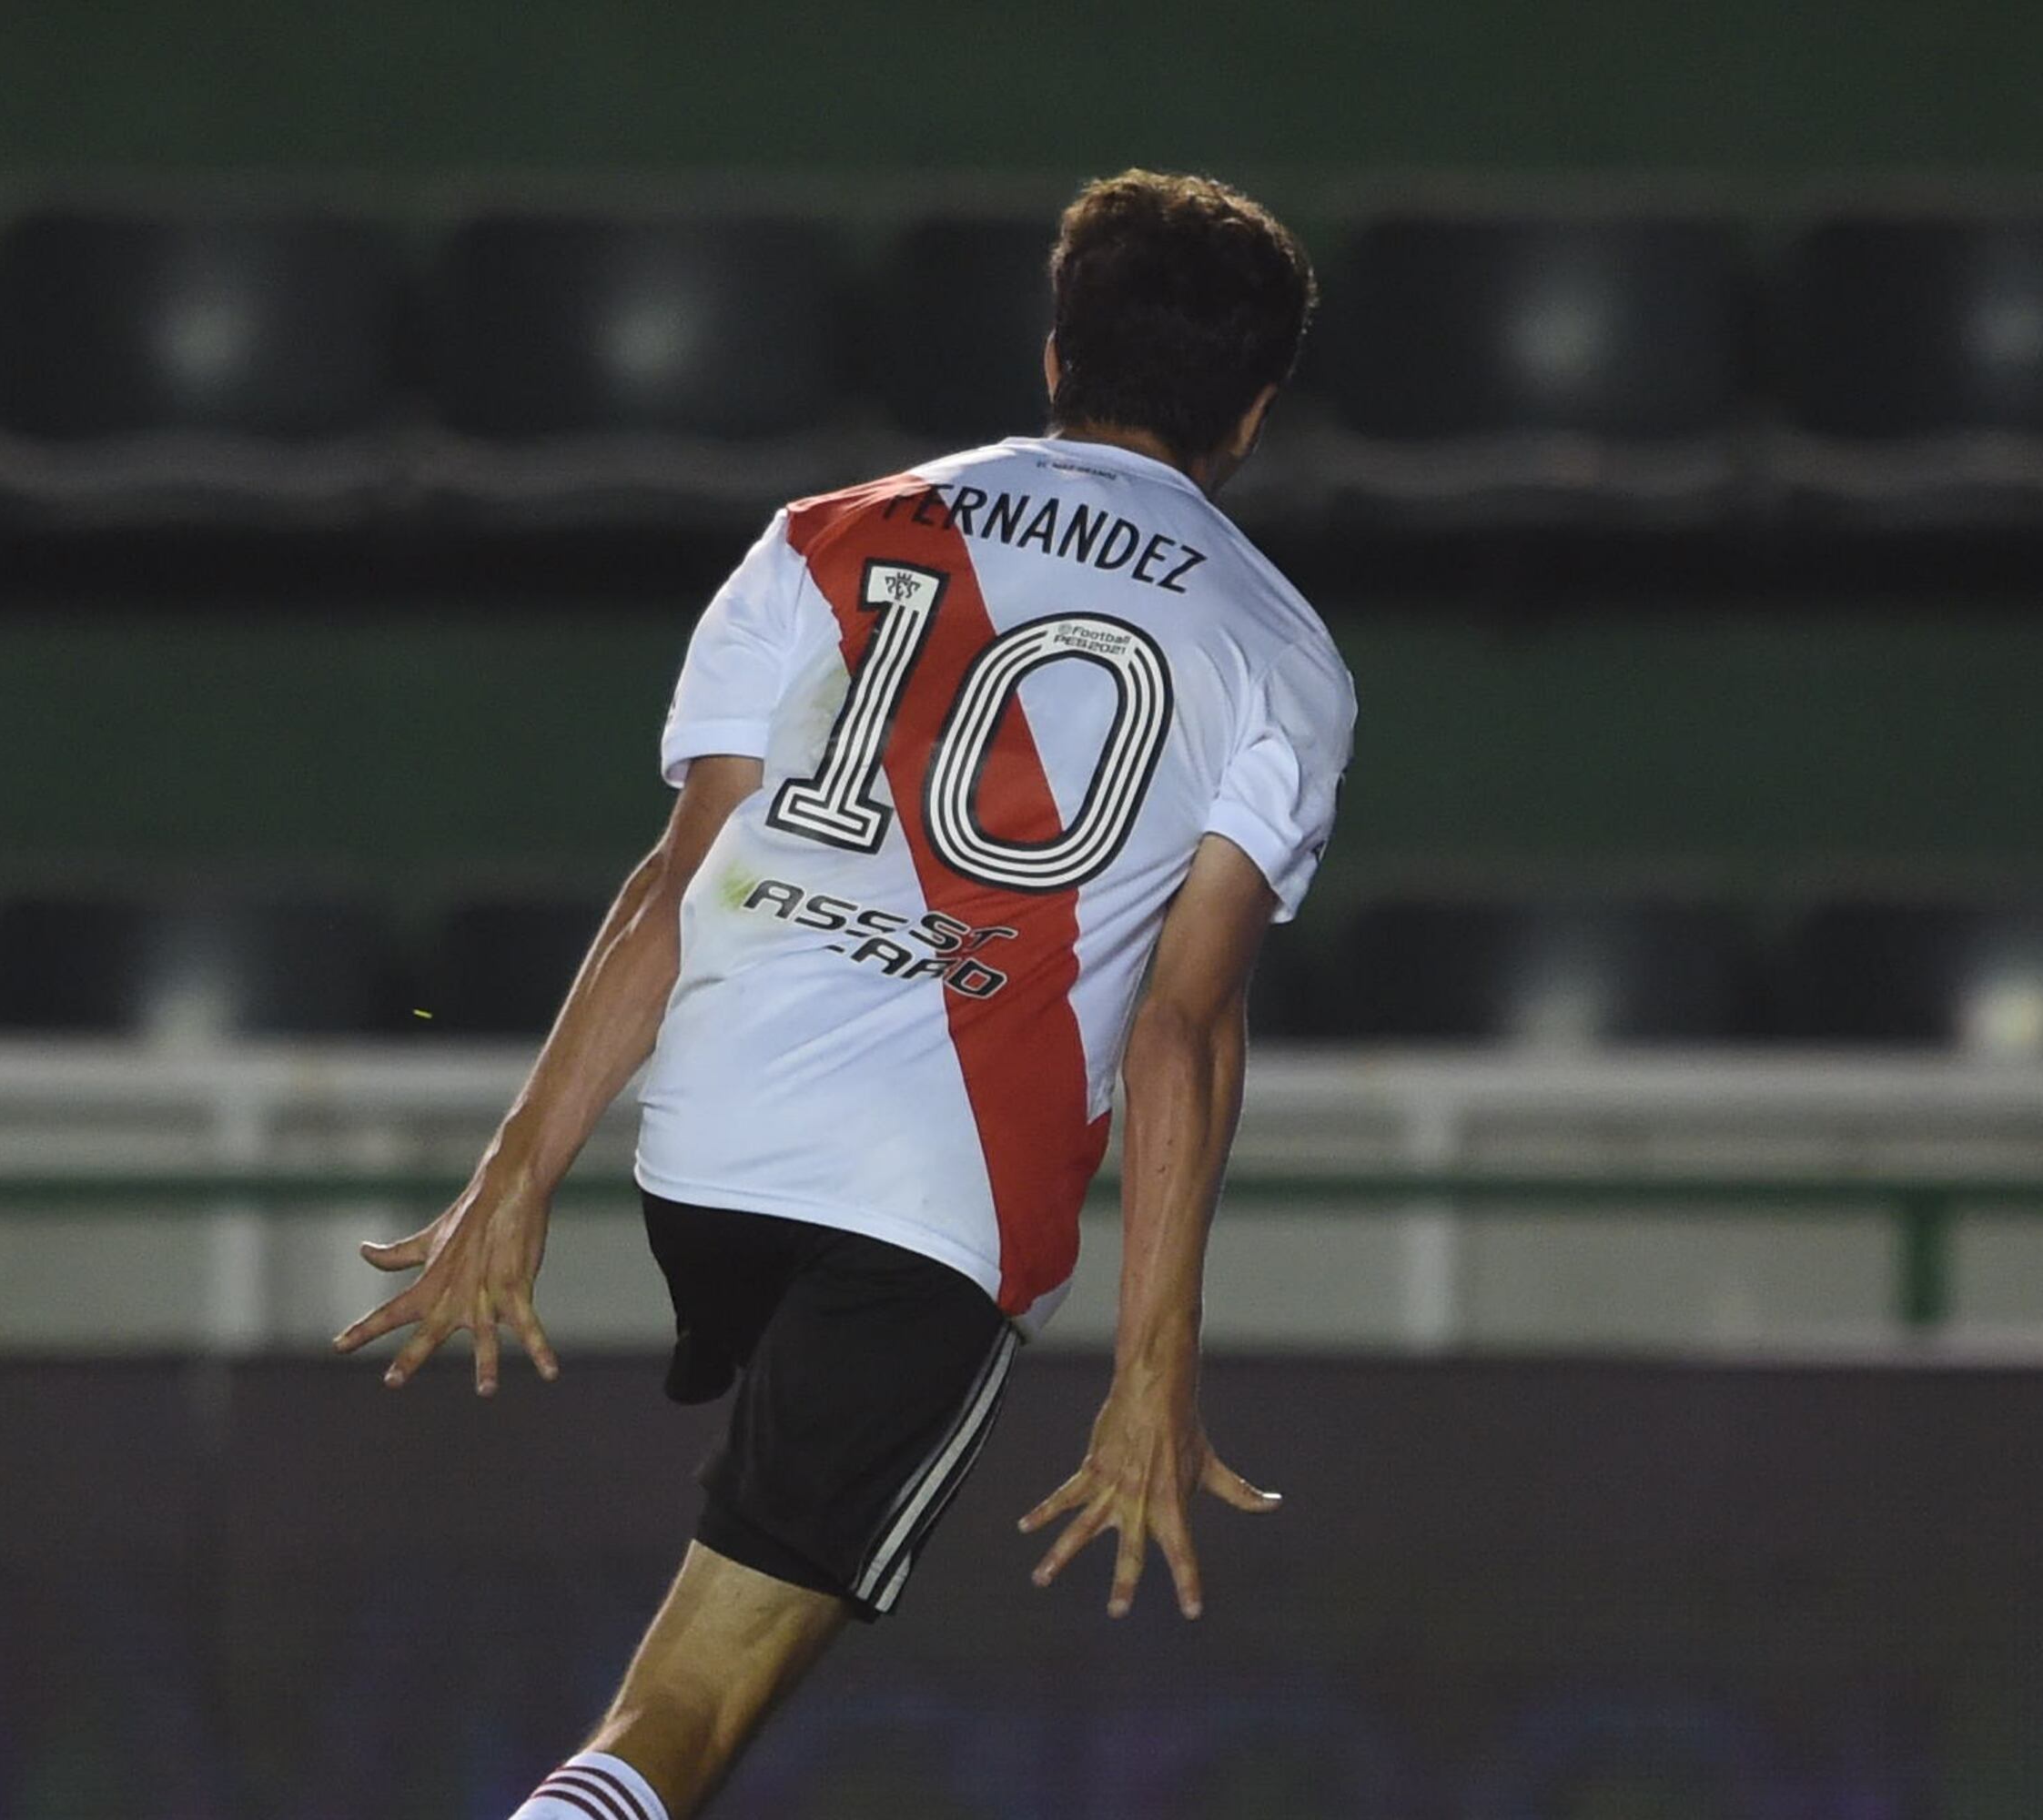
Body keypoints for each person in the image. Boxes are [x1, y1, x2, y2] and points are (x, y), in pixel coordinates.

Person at [336, 168, 1355, 1820]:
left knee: (698, 1663)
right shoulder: (1280, 652)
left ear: (1053, 358)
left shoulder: (826, 533)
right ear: (1256, 407)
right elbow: (1181, 1030)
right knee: (688, 1714)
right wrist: (1152, 1362)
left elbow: (681, 874)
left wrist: (515, 1170)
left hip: (709, 1155)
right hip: (926, 1203)